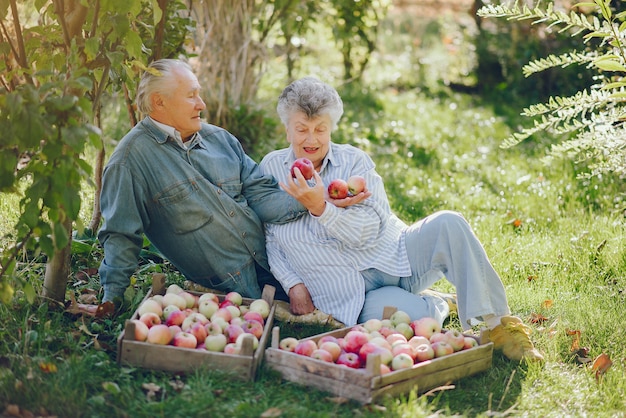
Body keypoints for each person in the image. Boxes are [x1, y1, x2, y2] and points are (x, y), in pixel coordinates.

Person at [259, 77, 544, 362]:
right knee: (409, 325)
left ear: (331, 128)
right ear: (287, 130)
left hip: (397, 257)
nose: (312, 139)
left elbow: (371, 229)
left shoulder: (354, 162)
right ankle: (436, 303)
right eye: (301, 129)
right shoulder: (271, 168)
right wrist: (292, 283)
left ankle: (499, 326)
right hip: (348, 294)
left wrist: (322, 208)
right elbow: (269, 234)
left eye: (320, 129)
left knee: (449, 222)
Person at [97, 59, 325, 305]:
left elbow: (262, 195)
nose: (201, 104)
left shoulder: (220, 139)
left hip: (283, 262)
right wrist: (112, 300)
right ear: (159, 102)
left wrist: (315, 200)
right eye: (191, 96)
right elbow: (120, 235)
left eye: (199, 94)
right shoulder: (131, 161)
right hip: (234, 290)